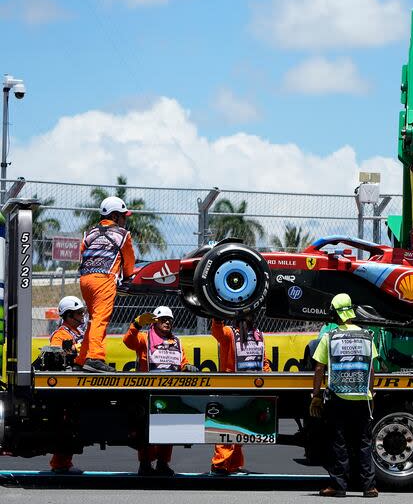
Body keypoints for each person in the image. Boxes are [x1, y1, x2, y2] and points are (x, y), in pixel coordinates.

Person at [311, 293, 379, 498]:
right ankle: (370, 487)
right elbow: (371, 369)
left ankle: (339, 486)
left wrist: (315, 396)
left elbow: (319, 369)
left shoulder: (329, 338)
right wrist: (371, 394)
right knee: (364, 442)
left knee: (338, 442)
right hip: (362, 397)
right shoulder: (367, 336)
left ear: (335, 314)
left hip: (338, 398)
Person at [123, 306, 199, 476]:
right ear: (155, 321)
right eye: (163, 319)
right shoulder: (144, 338)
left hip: (170, 391)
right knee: (146, 430)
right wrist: (136, 324)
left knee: (168, 429)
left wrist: (187, 367)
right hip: (147, 392)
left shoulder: (177, 341)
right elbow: (128, 341)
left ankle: (163, 463)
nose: (167, 322)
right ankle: (145, 464)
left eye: (169, 319)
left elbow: (182, 363)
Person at [75, 196, 136, 373]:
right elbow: (129, 261)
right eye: (124, 216)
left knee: (94, 319)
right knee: (100, 319)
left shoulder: (90, 233)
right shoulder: (123, 234)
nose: (125, 220)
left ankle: (81, 359)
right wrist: (128, 278)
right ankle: (95, 358)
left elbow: (82, 252)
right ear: (115, 216)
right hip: (104, 279)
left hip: (85, 280)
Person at [209, 317, 271, 476]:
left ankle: (234, 465)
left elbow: (263, 362)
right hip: (230, 390)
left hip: (250, 391)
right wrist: (217, 317)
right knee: (227, 428)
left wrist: (269, 378)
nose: (249, 317)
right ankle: (220, 465)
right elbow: (217, 332)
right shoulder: (229, 333)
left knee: (241, 429)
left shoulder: (259, 335)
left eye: (251, 313)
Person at [49, 296, 87, 475]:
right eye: (79, 312)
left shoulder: (78, 332)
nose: (83, 315)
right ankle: (60, 464)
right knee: (66, 422)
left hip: (80, 382)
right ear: (69, 315)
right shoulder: (61, 334)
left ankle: (63, 462)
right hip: (67, 384)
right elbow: (59, 356)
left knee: (74, 422)